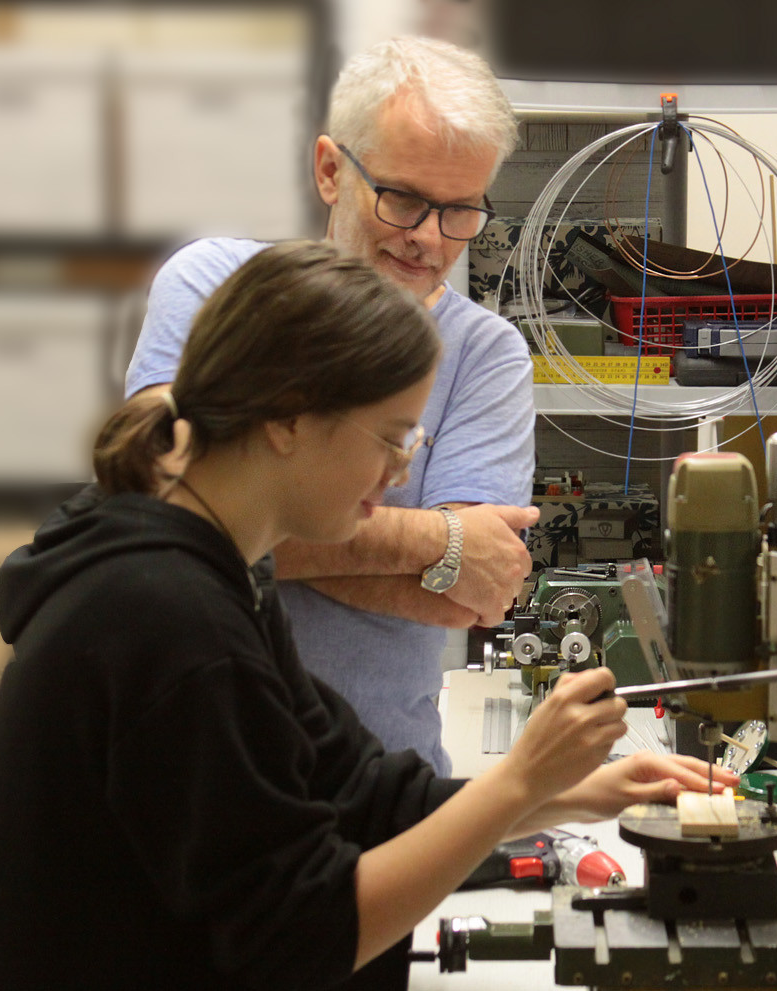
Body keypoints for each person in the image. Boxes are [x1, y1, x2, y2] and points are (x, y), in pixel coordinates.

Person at [0, 241, 734, 991]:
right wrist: (520, 781)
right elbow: (301, 935)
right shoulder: (168, 622)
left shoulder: (228, 578)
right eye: (391, 439)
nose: (399, 474)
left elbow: (363, 794)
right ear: (287, 419)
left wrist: (575, 791)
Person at [124, 36, 536, 772]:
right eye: (403, 199)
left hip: (382, 787)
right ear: (329, 170)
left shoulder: (486, 354)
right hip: (194, 776)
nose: (429, 239)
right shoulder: (213, 287)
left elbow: (475, 591)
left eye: (460, 211)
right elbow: (163, 506)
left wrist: (248, 528)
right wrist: (438, 540)